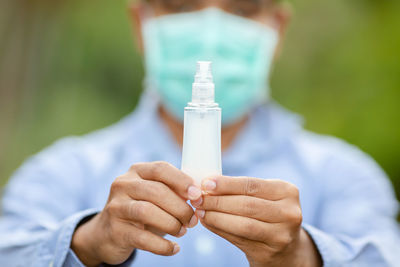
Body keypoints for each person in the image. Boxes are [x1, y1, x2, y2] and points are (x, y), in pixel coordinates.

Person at [1, 0, 399, 266]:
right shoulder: (61, 171)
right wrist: (86, 242)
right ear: (140, 24)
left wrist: (304, 255)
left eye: (242, 8)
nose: (211, 33)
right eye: (181, 5)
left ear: (277, 27)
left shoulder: (344, 175)